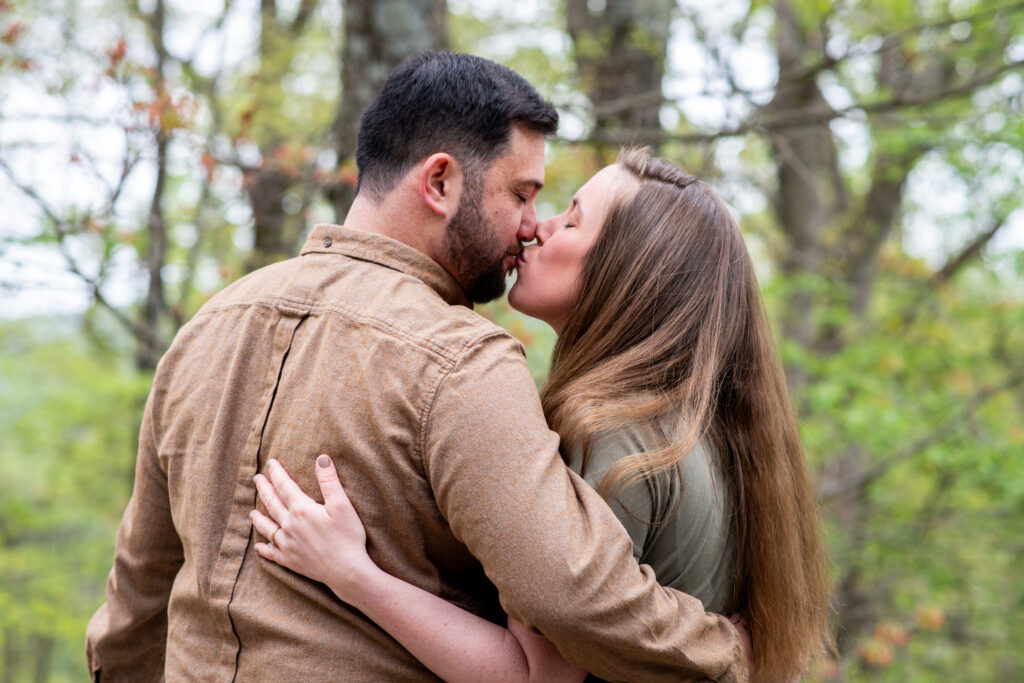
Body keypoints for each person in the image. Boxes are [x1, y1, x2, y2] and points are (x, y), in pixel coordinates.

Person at [85, 52, 749, 682]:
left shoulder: (204, 330)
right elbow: (575, 598)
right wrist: (728, 648)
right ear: (440, 182)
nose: (529, 225)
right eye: (521, 193)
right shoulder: (463, 362)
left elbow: (135, 608)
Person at [251, 149, 834, 682]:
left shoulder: (609, 434)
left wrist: (355, 575)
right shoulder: (692, 433)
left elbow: (535, 678)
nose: (537, 228)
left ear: (625, 270)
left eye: (571, 220)